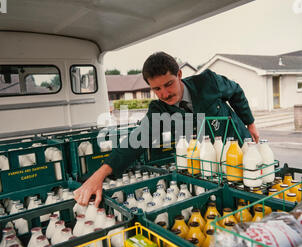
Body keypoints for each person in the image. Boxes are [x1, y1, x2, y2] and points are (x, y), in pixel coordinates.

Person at [74, 51, 259, 207]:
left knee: (255, 198)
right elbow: (134, 140)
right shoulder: (159, 110)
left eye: (168, 84)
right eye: (156, 89)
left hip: (241, 153)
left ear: (179, 75)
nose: (164, 94)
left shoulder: (208, 82)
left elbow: (236, 92)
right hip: (209, 166)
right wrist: (98, 175)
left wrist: (250, 123)